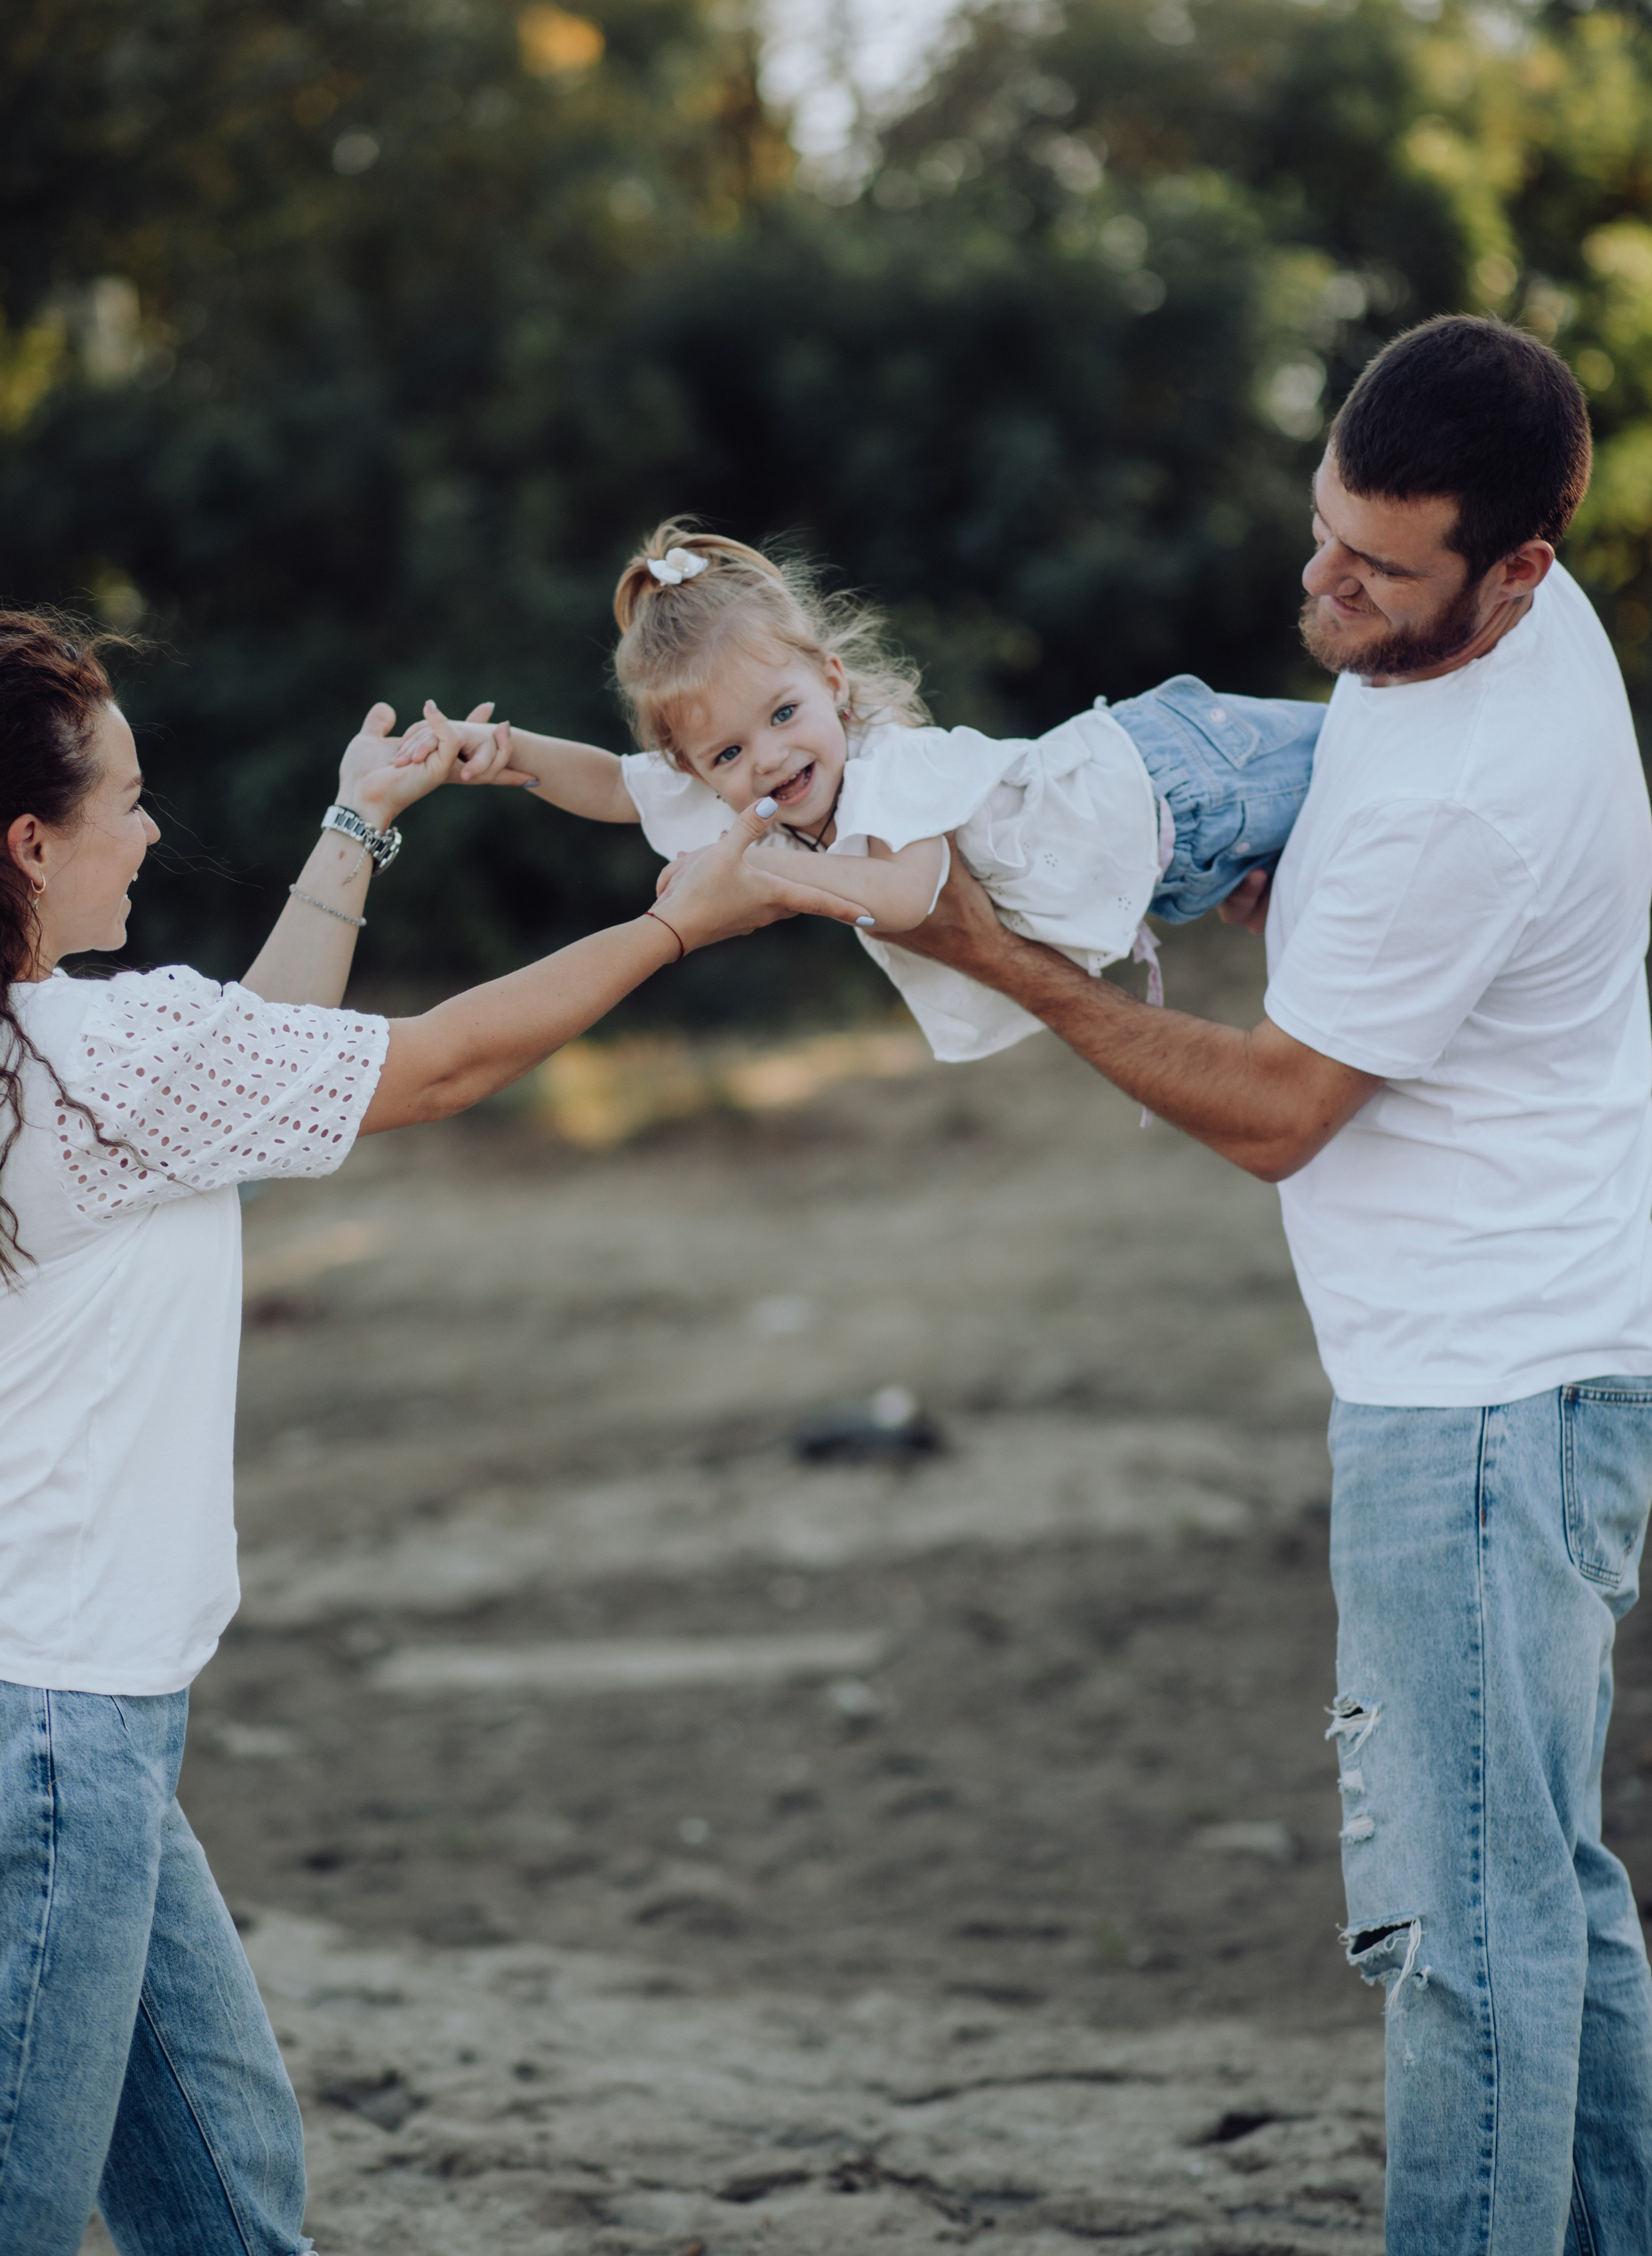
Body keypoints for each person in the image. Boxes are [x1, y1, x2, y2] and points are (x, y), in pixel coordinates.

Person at [891, 316, 1652, 2253]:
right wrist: (1285, 864)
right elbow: (1348, 781)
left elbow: (1279, 1110)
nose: (1323, 581)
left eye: (1378, 570)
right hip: (1544, 1356)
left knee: (1468, 1943)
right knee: (1545, 1893)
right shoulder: (1497, 640)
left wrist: (1008, 961)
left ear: (1519, 569)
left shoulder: (1468, 796)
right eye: (1323, 528)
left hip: (1475, 1402)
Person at [0, 614, 868, 2256]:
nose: (156, 826)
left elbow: (257, 1074)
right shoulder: (93, 1053)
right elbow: (441, 1066)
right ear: (28, 846)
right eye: (128, 800)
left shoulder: (67, 1064)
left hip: (87, 1728)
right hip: (50, 1735)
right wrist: (672, 926)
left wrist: (353, 827)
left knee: (232, 2208)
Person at [395, 525, 1324, 1060]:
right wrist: (504, 749)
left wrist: (757, 888)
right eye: (725, 753)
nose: (766, 758)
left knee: (1387, 738)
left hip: (1183, 773)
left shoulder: (887, 767)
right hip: (1186, 862)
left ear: (834, 683)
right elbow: (611, 786)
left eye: (786, 713)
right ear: (696, 772)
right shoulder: (751, 797)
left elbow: (912, 892)